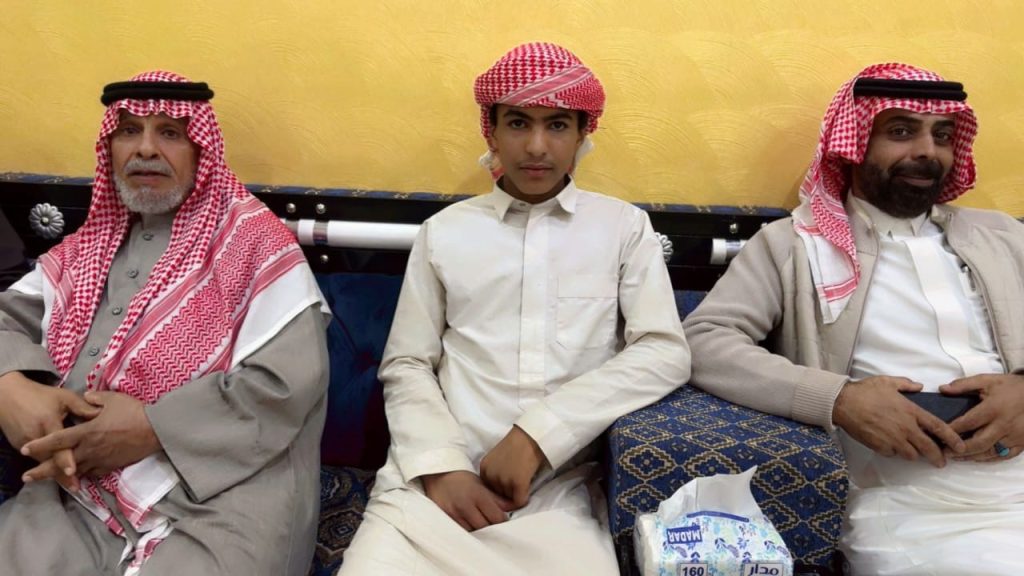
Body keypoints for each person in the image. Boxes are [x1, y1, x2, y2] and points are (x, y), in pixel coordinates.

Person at [339, 42, 690, 576]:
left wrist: (538, 435)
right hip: (427, 492)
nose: (537, 146)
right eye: (519, 123)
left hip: (562, 494)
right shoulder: (444, 232)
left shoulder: (623, 228)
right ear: (493, 132)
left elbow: (664, 351)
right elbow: (408, 363)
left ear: (582, 134)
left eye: (557, 125)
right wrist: (441, 467)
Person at [682, 62, 1024, 574]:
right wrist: (838, 399)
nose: (928, 151)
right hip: (913, 504)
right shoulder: (793, 245)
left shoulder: (1002, 236)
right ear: (855, 142)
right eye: (901, 132)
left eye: (942, 135)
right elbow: (705, 340)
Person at [0, 71, 330, 576]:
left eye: (170, 133)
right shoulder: (87, 247)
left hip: (225, 494)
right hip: (76, 487)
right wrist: (9, 385)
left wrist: (153, 428)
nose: (146, 149)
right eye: (129, 131)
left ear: (200, 151)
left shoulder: (257, 244)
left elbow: (284, 386)